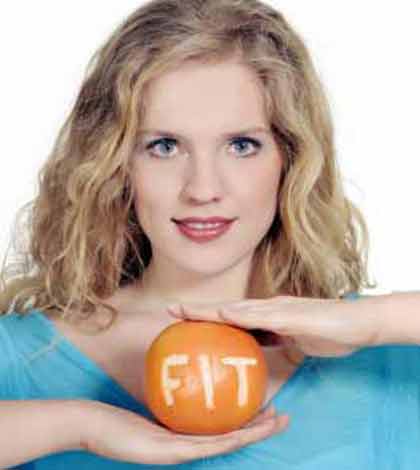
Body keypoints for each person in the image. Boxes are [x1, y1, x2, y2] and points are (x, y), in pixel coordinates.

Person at [1, 0, 420, 468]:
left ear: (291, 159)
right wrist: (79, 426)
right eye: (164, 146)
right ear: (116, 165)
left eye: (242, 145)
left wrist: (378, 323)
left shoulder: (385, 360)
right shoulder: (24, 358)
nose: (203, 189)